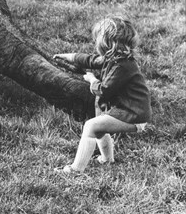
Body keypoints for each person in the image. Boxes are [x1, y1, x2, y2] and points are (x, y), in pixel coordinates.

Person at [53, 16, 152, 174]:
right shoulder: (116, 58)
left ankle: (75, 170)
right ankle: (107, 160)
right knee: (99, 128)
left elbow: (105, 90)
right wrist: (68, 56)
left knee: (91, 126)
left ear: (106, 42)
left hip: (134, 115)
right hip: (130, 111)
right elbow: (92, 60)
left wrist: (92, 79)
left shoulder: (122, 66)